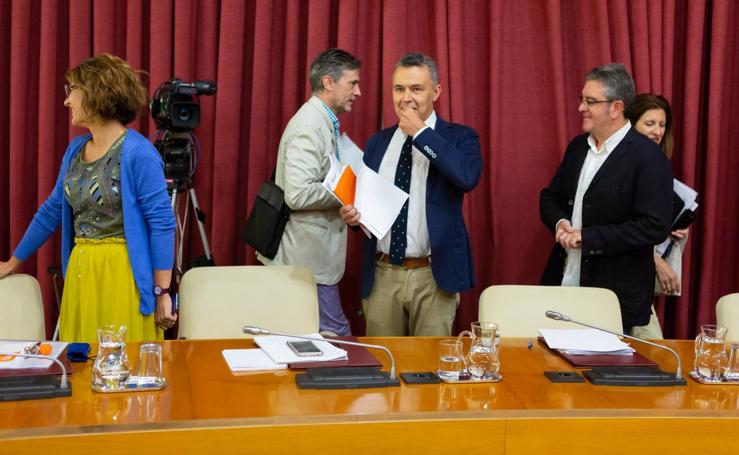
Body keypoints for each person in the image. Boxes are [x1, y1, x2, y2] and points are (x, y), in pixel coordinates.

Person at [0, 53, 177, 343]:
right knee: (81, 372)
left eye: (73, 90)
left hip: (123, 276)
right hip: (81, 274)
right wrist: (12, 262)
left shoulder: (139, 152)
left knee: (123, 370)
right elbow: (52, 210)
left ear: (97, 92)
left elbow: (162, 223)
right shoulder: (75, 150)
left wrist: (161, 292)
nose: (68, 100)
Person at [340, 52, 482, 336]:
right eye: (399, 89)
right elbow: (367, 203)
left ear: (436, 91)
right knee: (383, 369)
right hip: (383, 275)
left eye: (416, 89)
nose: (406, 97)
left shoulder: (460, 137)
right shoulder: (378, 142)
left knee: (429, 371)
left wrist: (421, 134)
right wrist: (353, 217)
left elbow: (467, 177)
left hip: (433, 277)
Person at [539, 63, 673, 335]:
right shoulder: (578, 147)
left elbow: (653, 226)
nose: (581, 108)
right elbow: (549, 197)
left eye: (590, 101)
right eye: (582, 99)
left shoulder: (648, 157)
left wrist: (587, 238)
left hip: (612, 296)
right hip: (563, 281)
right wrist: (561, 223)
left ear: (616, 108)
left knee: (602, 375)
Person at [257, 48, 361, 336]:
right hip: (306, 259)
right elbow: (298, 193)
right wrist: (349, 190)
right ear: (329, 82)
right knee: (338, 338)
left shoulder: (321, 120)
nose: (358, 91)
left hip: (310, 257)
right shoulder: (309, 124)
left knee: (315, 337)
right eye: (352, 83)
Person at [627, 93, 688, 339]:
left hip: (640, 279)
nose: (657, 131)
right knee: (651, 349)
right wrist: (656, 261)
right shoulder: (623, 166)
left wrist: (675, 230)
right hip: (623, 276)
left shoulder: (659, 165)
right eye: (649, 123)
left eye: (662, 125)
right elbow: (623, 226)